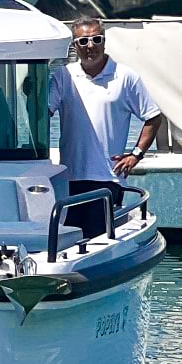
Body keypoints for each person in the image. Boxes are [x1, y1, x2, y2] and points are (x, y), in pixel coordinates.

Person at [49, 17, 163, 238]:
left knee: (96, 240)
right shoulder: (64, 76)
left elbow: (153, 117)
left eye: (96, 39)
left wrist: (136, 155)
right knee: (67, 240)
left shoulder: (126, 77)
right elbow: (42, 113)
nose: (90, 46)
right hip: (70, 176)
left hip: (107, 178)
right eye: (83, 41)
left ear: (104, 41)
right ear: (74, 46)